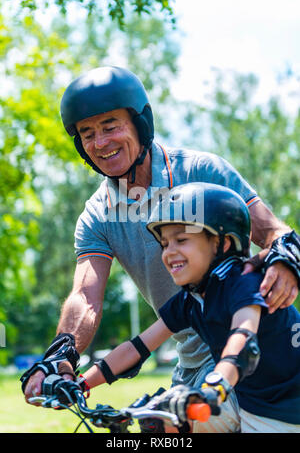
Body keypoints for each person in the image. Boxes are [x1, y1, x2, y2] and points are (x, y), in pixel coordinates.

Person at [21, 66, 299, 433]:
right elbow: (85, 298)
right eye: (87, 134)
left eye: (110, 126)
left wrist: (287, 262)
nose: (100, 142)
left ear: (140, 123)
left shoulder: (202, 172)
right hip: (188, 358)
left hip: (255, 357)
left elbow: (274, 232)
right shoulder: (97, 216)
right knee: (154, 426)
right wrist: (62, 356)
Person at [79, 182, 300, 433]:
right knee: (160, 422)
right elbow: (138, 347)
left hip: (284, 411)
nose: (169, 252)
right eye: (164, 244)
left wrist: (214, 386)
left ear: (223, 243)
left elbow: (244, 341)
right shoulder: (190, 299)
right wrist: (82, 384)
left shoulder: (244, 281)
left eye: (181, 240)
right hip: (244, 398)